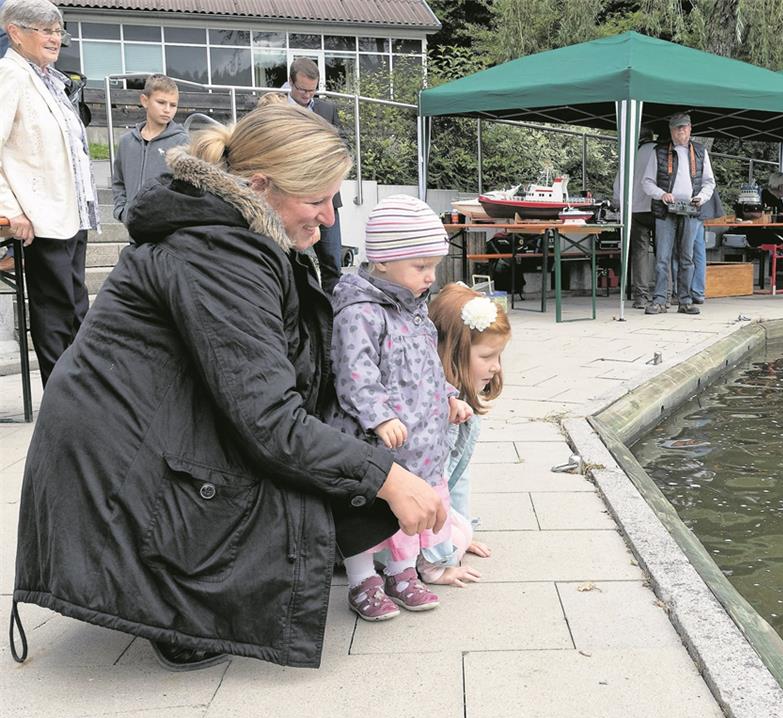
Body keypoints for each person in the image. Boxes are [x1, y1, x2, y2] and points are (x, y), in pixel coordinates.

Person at [10, 105, 445, 671]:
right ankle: (165, 600)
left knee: (304, 487)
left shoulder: (234, 234)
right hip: (116, 464)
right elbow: (269, 421)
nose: (329, 218)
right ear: (260, 185)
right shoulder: (219, 252)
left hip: (127, 442)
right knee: (283, 485)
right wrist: (385, 478)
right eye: (317, 199)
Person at [328, 195, 473, 622]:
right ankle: (362, 581)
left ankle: (402, 572)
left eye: (433, 266)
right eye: (420, 267)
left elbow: (428, 363)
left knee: (413, 506)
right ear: (385, 261)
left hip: (421, 434)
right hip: (381, 436)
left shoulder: (414, 310)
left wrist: (447, 395)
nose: (430, 277)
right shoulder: (361, 313)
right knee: (371, 509)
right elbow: (354, 372)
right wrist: (379, 415)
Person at [0, 0, 99, 386]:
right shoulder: (10, 75)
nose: (55, 38)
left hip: (70, 214)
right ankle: (62, 403)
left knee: (75, 310)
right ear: (15, 33)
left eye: (58, 31)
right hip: (41, 217)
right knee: (57, 315)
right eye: (45, 30)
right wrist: (10, 209)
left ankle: (80, 399)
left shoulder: (50, 80)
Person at [419, 283, 512, 586]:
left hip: (426, 516)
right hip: (399, 529)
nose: (496, 368)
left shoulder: (459, 403)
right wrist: (441, 561)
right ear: (454, 352)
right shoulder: (434, 412)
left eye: (499, 356)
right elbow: (432, 486)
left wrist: (462, 528)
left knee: (461, 531)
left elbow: (459, 477)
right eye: (487, 356)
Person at [641, 111, 715, 316]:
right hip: (666, 210)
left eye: (685, 127)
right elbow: (647, 182)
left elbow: (709, 182)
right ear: (671, 130)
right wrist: (662, 194)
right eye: (677, 127)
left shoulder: (700, 152)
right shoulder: (659, 151)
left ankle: (685, 300)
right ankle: (659, 300)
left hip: (691, 209)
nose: (681, 130)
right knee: (662, 257)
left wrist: (701, 197)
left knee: (687, 257)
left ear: (690, 129)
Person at [287, 57, 345, 294]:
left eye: (313, 90)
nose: (308, 95)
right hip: (293, 198)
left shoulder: (327, 109)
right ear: (290, 83)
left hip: (327, 198)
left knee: (332, 260)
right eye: (302, 90)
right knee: (292, 260)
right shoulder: (277, 110)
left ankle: (334, 319)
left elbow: (343, 145)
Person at [111, 74, 188, 225]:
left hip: (167, 233)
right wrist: (122, 211)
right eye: (161, 102)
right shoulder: (126, 142)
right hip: (134, 230)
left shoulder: (182, 142)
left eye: (173, 105)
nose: (167, 110)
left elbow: (187, 189)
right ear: (144, 101)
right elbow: (118, 182)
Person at [613, 127, 657, 309]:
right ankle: (666, 295)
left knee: (640, 253)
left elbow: (618, 187)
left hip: (635, 209)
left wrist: (619, 204)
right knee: (664, 253)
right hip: (658, 207)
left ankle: (641, 297)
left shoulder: (630, 155)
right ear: (651, 136)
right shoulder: (660, 150)